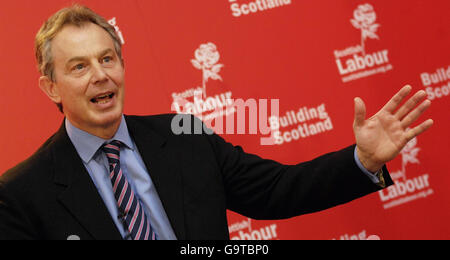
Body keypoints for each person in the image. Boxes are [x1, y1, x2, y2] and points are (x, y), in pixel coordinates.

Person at [0, 5, 433, 240]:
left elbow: (277, 191)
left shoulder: (183, 136)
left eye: (107, 58)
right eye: (79, 67)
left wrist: (362, 159)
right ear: (50, 87)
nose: (101, 75)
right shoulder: (21, 194)